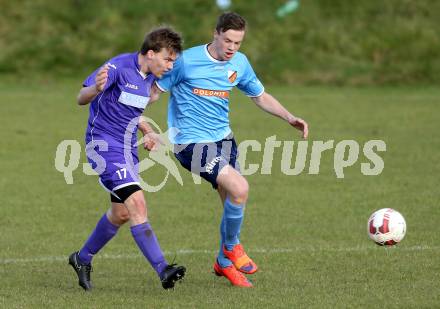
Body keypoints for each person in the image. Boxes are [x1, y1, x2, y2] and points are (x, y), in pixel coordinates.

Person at [155, 12, 308, 287]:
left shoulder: (239, 62)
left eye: (238, 43)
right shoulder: (186, 61)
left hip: (224, 140)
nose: (232, 48)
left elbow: (259, 95)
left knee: (230, 201)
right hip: (190, 142)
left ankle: (223, 263)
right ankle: (232, 248)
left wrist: (289, 117)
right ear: (215, 33)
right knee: (240, 188)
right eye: (227, 41)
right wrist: (134, 119)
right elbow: (155, 89)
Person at [68, 27, 186, 291]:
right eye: (167, 59)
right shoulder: (118, 67)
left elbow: (130, 110)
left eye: (173, 62)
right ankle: (163, 269)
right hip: (104, 146)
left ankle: (82, 258)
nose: (170, 66)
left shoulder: (146, 78)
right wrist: (95, 89)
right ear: (152, 53)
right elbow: (81, 97)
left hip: (127, 148)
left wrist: (148, 132)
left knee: (120, 213)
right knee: (137, 203)